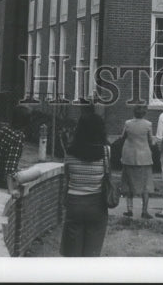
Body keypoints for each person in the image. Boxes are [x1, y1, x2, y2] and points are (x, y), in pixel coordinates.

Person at [60, 111, 110, 257]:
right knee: (91, 254)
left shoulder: (70, 151)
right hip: (97, 204)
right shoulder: (106, 151)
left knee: (72, 254)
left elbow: (67, 177)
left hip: (74, 202)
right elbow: (108, 176)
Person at [118, 104, 154, 219]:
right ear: (144, 113)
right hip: (144, 157)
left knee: (128, 183)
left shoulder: (128, 123)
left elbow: (122, 137)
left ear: (134, 112)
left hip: (129, 156)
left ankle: (129, 209)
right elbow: (151, 141)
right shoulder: (148, 124)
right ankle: (144, 211)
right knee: (145, 185)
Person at [0, 104, 31, 188]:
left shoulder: (3, 129)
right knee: (36, 173)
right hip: (2, 179)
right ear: (26, 122)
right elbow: (9, 168)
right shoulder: (18, 137)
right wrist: (11, 191)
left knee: (21, 170)